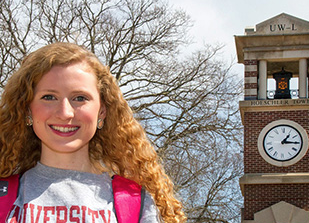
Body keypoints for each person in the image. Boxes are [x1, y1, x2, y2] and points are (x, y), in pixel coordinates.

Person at [0, 42, 186, 222]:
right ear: (27, 110)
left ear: (102, 112)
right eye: (49, 97)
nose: (65, 113)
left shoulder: (136, 203)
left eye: (80, 98)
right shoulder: (4, 197)